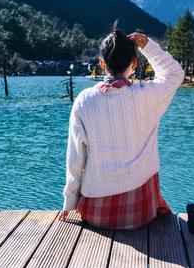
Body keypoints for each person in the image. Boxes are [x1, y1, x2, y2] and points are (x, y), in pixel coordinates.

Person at [60, 23, 184, 230]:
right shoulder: (147, 95)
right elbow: (174, 74)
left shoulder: (84, 100)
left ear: (101, 63)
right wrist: (148, 46)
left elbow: (75, 158)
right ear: (134, 63)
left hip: (97, 214)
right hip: (142, 212)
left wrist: (69, 202)